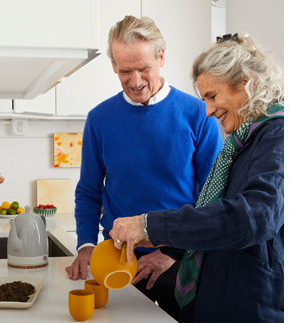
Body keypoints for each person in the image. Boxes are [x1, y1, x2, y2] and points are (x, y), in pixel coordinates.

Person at [110, 33, 284, 322]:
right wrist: (171, 251)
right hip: (214, 298)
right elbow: (213, 216)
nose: (208, 110)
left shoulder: (277, 136)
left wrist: (149, 226)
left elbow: (255, 217)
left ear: (246, 82)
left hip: (249, 305)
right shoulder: (241, 141)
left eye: (213, 96)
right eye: (204, 99)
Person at [65, 16, 223, 320]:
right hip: (115, 262)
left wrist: (172, 253)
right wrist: (85, 245)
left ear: (161, 57)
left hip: (180, 261)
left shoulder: (198, 114)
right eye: (125, 71)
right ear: (113, 66)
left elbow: (213, 196)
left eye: (143, 69)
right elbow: (88, 190)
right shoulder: (99, 119)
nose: (135, 81)